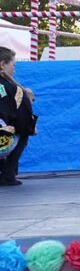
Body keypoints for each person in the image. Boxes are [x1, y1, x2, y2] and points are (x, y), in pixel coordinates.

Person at [0, 48, 36, 186]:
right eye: (13, 65)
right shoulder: (10, 89)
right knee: (23, 132)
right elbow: (23, 118)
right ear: (3, 64)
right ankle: (8, 175)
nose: (14, 69)